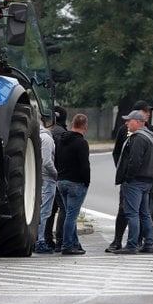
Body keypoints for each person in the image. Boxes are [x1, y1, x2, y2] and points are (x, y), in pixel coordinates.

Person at [107, 100, 153, 253]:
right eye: (146, 112)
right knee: (144, 213)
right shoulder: (148, 135)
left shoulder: (138, 137)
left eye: (129, 121)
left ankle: (132, 244)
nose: (126, 124)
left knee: (131, 213)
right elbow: (118, 153)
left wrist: (127, 176)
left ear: (137, 121)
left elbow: (135, 160)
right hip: (146, 180)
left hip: (136, 180)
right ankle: (147, 244)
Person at [55, 113, 90, 255]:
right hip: (75, 183)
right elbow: (84, 165)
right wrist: (86, 181)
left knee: (70, 213)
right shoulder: (81, 143)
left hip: (61, 181)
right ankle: (67, 245)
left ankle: (76, 243)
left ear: (72, 124)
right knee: (71, 216)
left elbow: (56, 159)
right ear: (85, 126)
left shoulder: (61, 140)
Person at [45, 105, 68, 252]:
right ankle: (60, 240)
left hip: (47, 175)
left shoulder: (48, 133)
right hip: (59, 174)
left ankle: (47, 239)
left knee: (49, 210)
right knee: (64, 209)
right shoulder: (64, 134)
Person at [34, 118, 57, 254]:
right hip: (48, 179)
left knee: (40, 209)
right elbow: (47, 162)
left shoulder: (37, 136)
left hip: (39, 177)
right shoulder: (47, 139)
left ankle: (37, 238)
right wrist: (56, 174)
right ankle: (40, 240)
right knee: (45, 211)